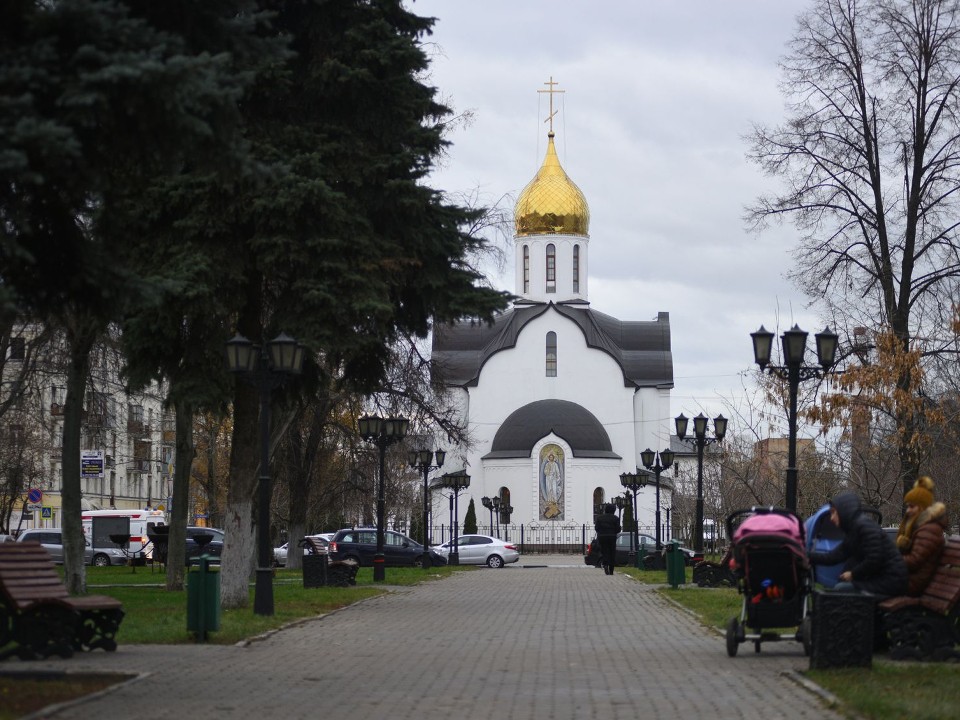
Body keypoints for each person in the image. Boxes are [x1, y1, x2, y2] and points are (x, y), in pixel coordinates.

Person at [807, 491, 907, 597]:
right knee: (840, 588)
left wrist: (853, 574)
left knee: (841, 589)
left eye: (833, 512)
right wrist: (806, 555)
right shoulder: (854, 531)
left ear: (843, 511)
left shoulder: (864, 527)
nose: (831, 518)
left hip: (891, 581)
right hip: (883, 579)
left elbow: (874, 559)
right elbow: (833, 557)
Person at [895, 476, 949, 596]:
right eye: (908, 506)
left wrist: (890, 558)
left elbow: (914, 561)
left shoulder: (929, 530)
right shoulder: (922, 528)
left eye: (912, 506)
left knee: (857, 587)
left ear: (922, 508)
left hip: (912, 584)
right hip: (908, 580)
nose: (908, 510)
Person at [594, 503, 621, 575]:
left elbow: (596, 528)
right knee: (612, 552)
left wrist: (601, 532)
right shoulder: (615, 518)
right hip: (612, 537)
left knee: (604, 551)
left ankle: (605, 564)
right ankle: (611, 569)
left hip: (602, 537)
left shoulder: (599, 518)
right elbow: (618, 529)